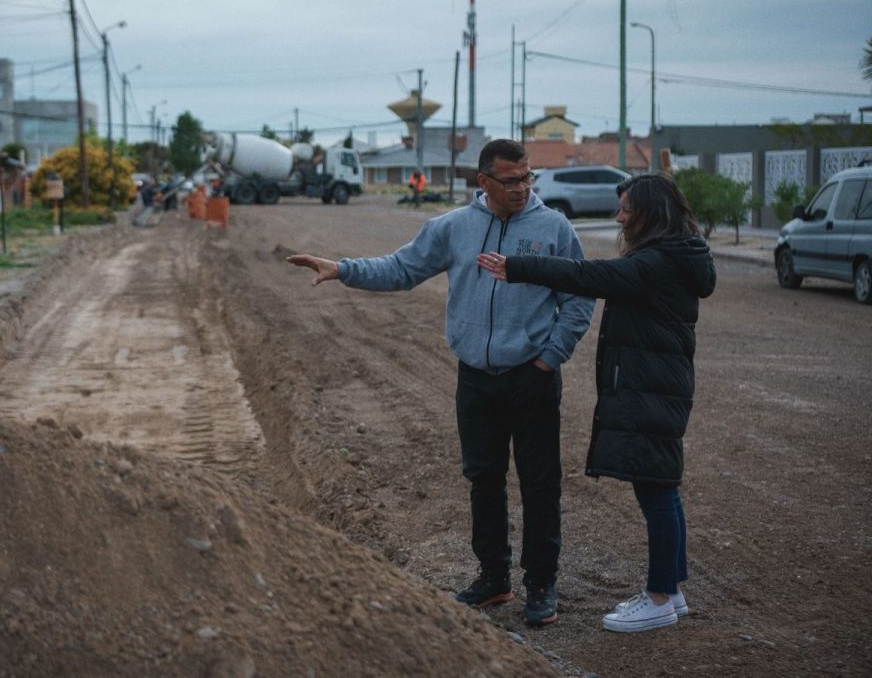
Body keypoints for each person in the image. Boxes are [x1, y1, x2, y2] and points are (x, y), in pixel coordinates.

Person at [287, 139, 594, 626]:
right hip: (475, 379)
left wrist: (549, 358)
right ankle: (494, 579)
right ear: (484, 182)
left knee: (540, 484)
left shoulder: (554, 228)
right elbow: (401, 268)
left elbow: (579, 298)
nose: (522, 188)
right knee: (483, 480)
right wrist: (342, 269)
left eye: (527, 177)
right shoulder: (453, 227)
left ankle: (541, 583)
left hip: (531, 378)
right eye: (511, 180)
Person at [477, 171, 716, 633]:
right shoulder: (673, 254)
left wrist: (520, 266)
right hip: (658, 383)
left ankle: (660, 597)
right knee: (661, 485)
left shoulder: (658, 262)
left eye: (626, 209)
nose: (619, 217)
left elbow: (593, 275)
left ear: (651, 212)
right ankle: (673, 590)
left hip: (653, 386)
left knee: (657, 488)